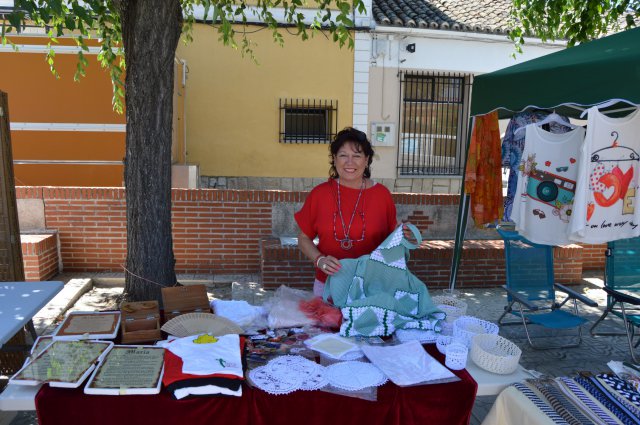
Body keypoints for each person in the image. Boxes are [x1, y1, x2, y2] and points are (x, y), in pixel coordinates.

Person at [295, 127, 398, 297]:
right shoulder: (319, 194)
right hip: (328, 284)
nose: (349, 162)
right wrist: (319, 260)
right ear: (334, 159)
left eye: (357, 156)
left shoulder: (382, 195)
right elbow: (303, 238)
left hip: (372, 286)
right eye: (343, 155)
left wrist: (404, 234)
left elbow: (392, 240)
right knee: (328, 324)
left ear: (366, 160)